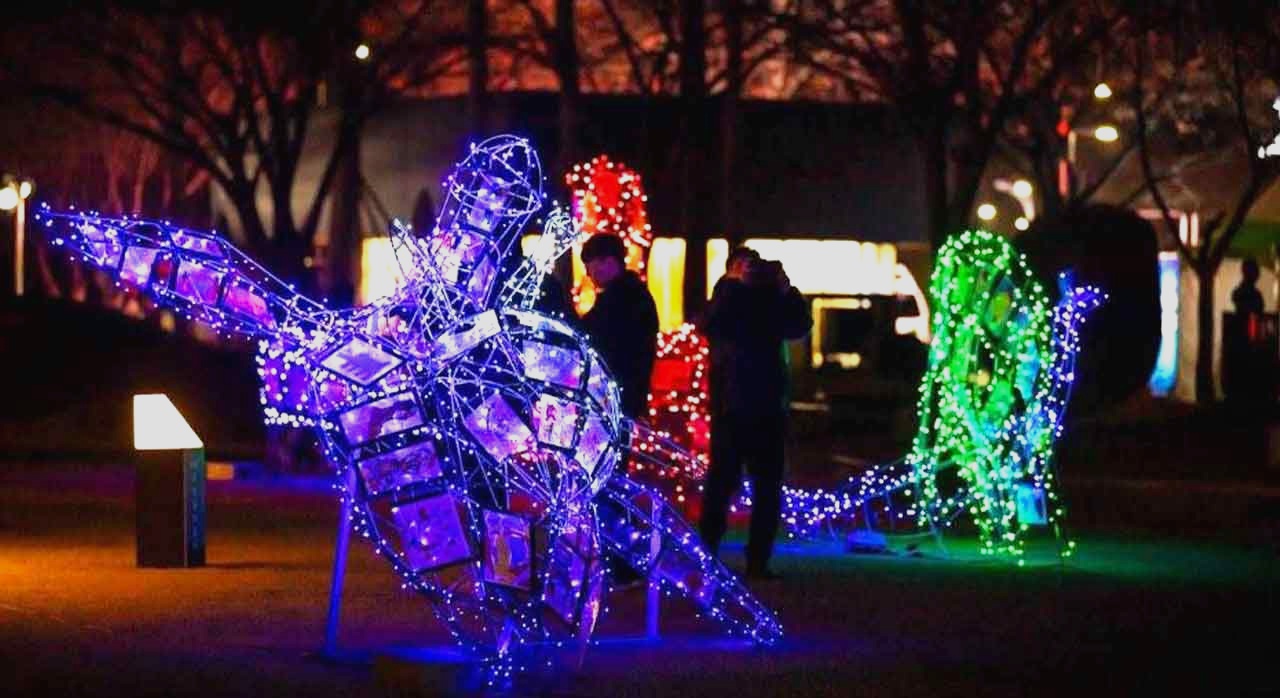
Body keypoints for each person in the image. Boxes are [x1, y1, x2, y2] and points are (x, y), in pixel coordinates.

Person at [698, 247, 811, 580]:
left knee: (765, 487)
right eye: (744, 267)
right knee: (722, 484)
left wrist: (786, 290)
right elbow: (710, 323)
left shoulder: (769, 298)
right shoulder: (728, 297)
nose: (751, 274)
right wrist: (732, 285)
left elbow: (798, 325)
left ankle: (756, 561)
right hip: (734, 406)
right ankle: (709, 556)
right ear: (731, 270)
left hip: (764, 406)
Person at [578, 233, 659, 590]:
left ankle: (622, 562)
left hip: (613, 404)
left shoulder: (623, 301)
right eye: (588, 264)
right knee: (607, 482)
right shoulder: (625, 297)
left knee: (606, 482)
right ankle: (616, 560)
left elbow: (596, 340)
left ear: (612, 261)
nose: (591, 271)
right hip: (617, 403)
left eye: (595, 263)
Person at [579, 234, 659, 418]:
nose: (588, 273)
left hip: (615, 395)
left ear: (607, 262)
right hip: (626, 394)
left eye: (589, 265)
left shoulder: (621, 298)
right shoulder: (633, 292)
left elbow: (595, 336)